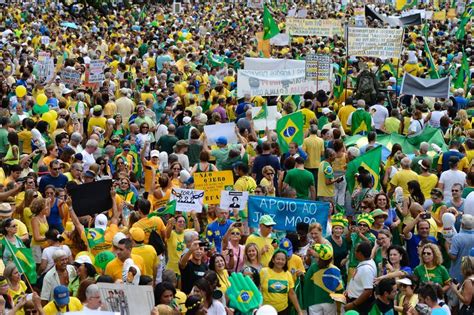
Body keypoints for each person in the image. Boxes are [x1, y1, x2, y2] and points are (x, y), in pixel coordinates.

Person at [259, 249, 303, 315]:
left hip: (283, 310)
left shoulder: (288, 274)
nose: (280, 261)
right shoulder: (264, 271)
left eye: (283, 260)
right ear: (273, 260)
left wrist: (299, 311)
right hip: (266, 310)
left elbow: (291, 294)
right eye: (278, 259)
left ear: (285, 262)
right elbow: (257, 290)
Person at [304, 244, 343, 315]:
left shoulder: (313, 267)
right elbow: (340, 288)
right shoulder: (336, 270)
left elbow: (306, 282)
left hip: (314, 301)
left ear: (319, 257)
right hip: (329, 302)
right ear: (331, 259)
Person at [345, 241, 376, 314]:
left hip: (360, 305)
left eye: (355, 251)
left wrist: (353, 304)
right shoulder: (365, 262)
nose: (354, 253)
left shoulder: (366, 269)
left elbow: (368, 291)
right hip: (356, 301)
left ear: (360, 253)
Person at [449, 214, 474, 283]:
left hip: (457, 274)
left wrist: (447, 247)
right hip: (471, 276)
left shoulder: (457, 237)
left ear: (462, 224)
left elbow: (453, 256)